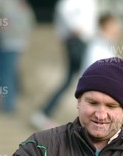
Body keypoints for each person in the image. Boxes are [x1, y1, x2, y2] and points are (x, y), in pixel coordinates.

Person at [30, 0, 97, 130]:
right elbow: (66, 12)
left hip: (86, 42)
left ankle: (44, 113)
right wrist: (77, 28)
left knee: (76, 80)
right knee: (89, 80)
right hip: (77, 42)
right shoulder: (69, 3)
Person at [0, 0, 35, 112]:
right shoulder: (16, 4)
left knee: (6, 74)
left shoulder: (9, 4)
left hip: (11, 42)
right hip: (9, 41)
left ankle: (8, 105)